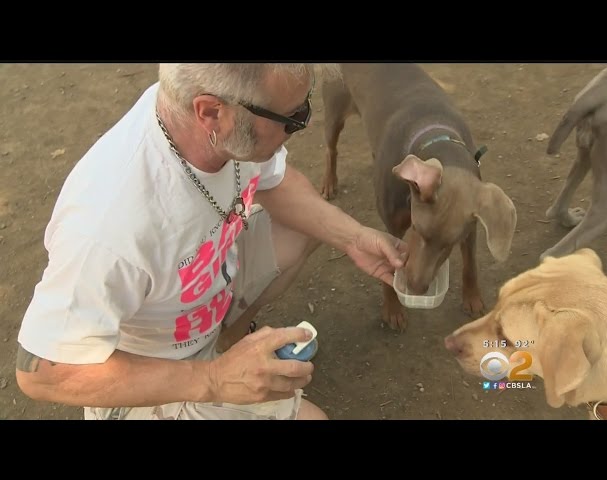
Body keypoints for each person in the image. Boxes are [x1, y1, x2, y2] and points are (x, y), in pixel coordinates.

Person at [15, 63, 408, 420]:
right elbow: (43, 372)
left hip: (200, 291)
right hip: (151, 371)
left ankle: (227, 338)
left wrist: (353, 238)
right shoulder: (109, 225)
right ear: (211, 112)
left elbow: (276, 182)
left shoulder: (214, 126)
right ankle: (219, 364)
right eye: (292, 117)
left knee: (311, 224)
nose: (302, 123)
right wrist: (215, 379)